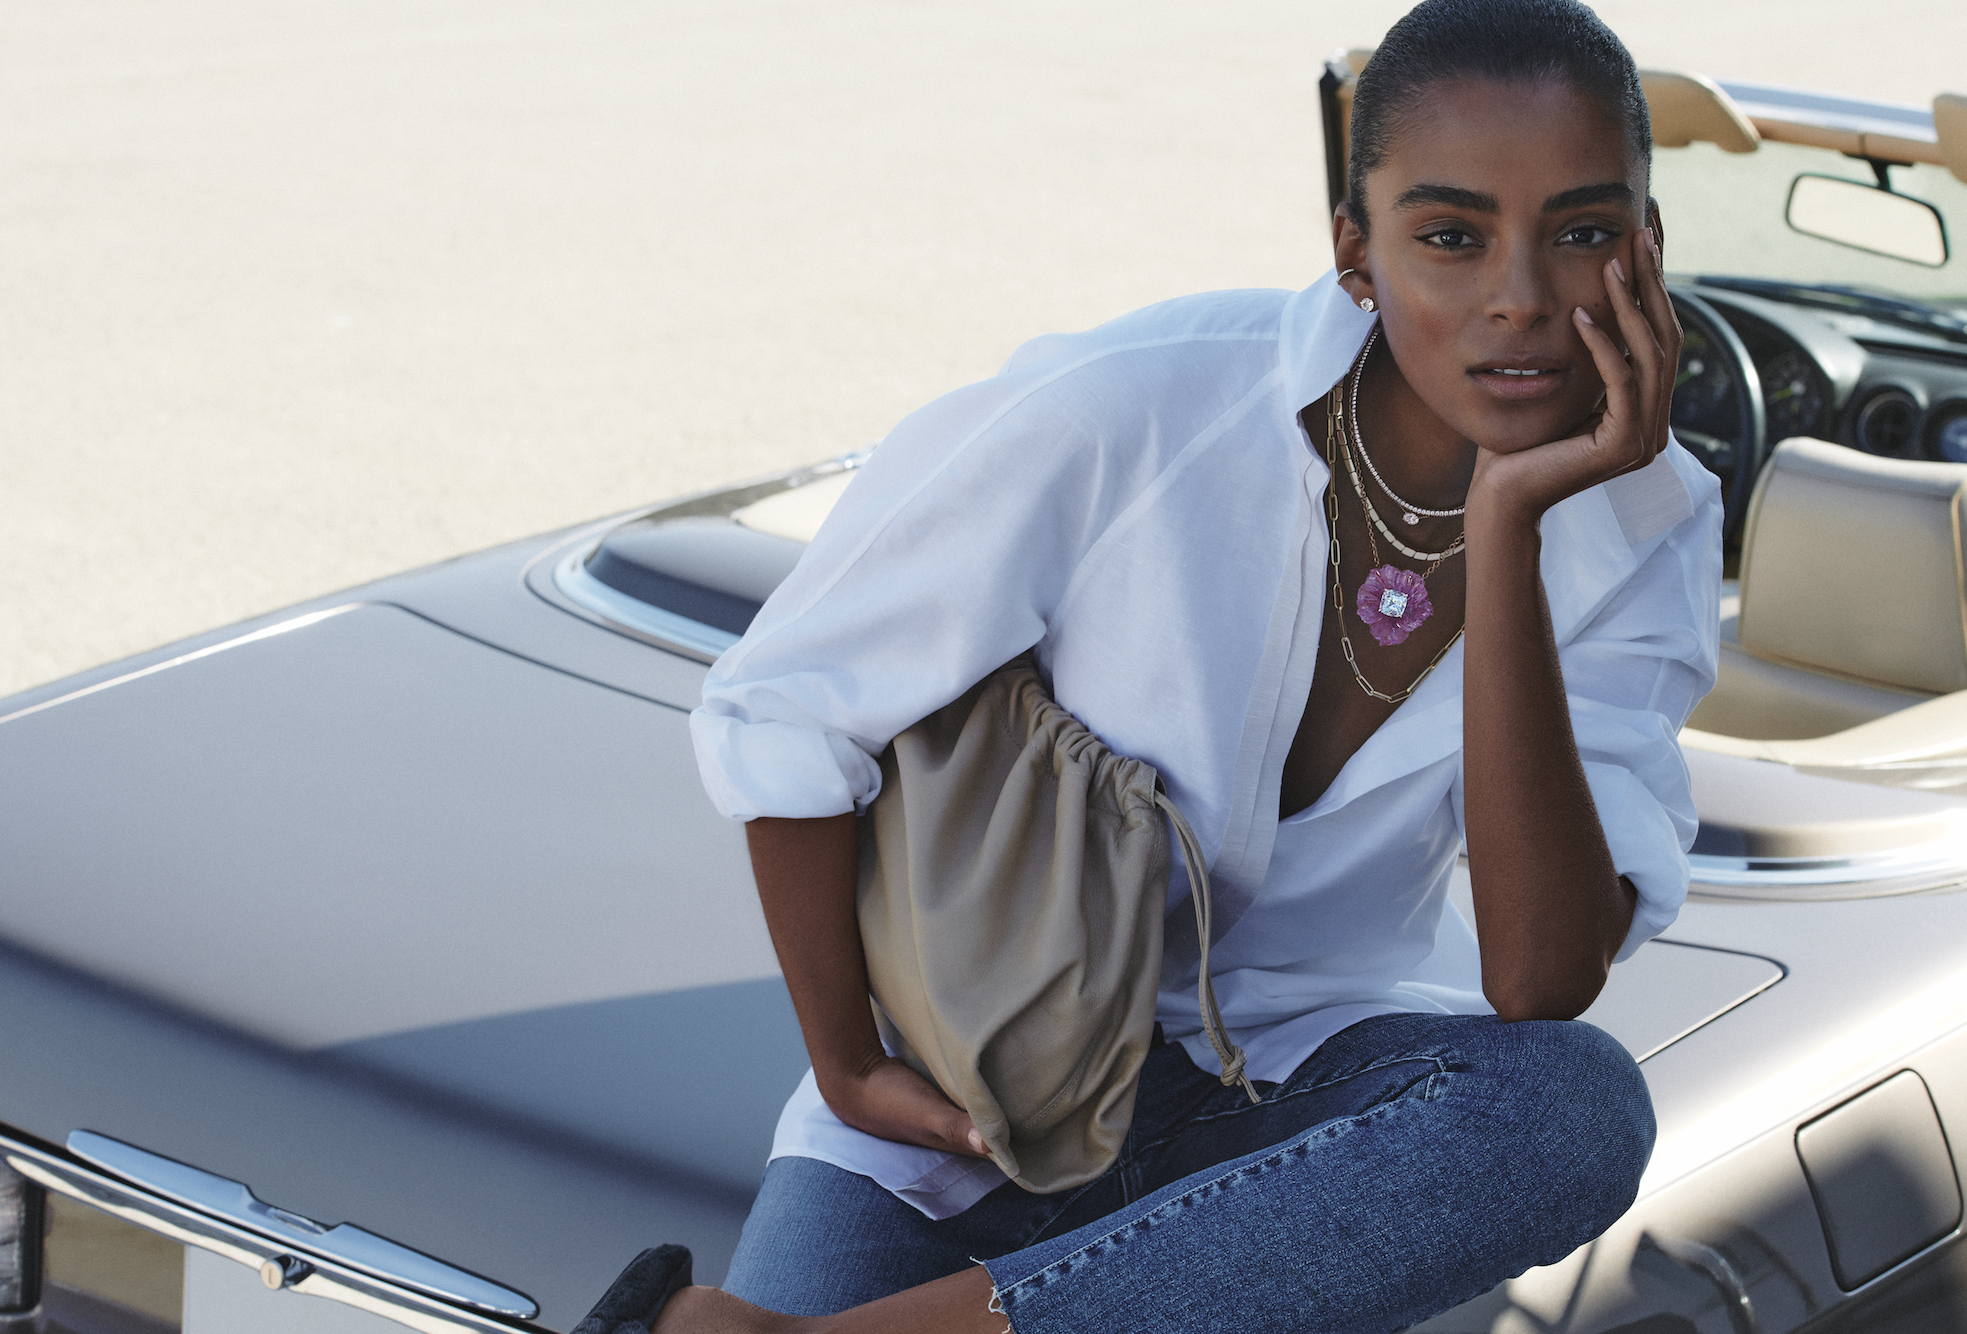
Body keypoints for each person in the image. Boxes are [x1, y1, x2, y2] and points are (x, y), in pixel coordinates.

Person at [646, 0, 1723, 1329]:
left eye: (1582, 232)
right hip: (981, 1090)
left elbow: (1541, 977)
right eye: (1451, 236)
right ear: (1356, 251)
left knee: (1572, 1110)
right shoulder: (1144, 404)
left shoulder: (1650, 526)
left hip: (1291, 1125)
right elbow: (786, 706)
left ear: (1647, 245)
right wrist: (847, 1064)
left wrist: (1511, 525)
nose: (1522, 297)